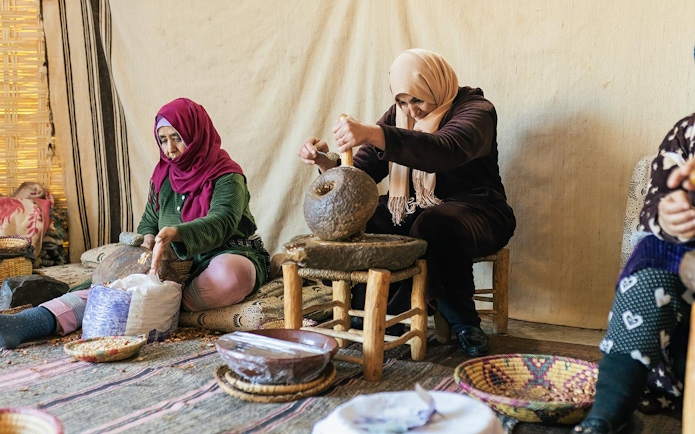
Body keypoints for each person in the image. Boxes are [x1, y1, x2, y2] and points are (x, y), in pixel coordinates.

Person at [0, 97, 270, 349]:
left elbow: (222, 221)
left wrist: (178, 232)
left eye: (177, 138)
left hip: (225, 253)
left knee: (231, 275)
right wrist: (148, 238)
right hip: (170, 263)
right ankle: (33, 322)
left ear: (196, 134)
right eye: (163, 140)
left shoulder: (227, 176)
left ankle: (163, 303)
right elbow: (149, 221)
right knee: (113, 284)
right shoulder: (163, 176)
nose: (170, 149)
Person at [298, 48, 516, 356]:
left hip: (478, 211)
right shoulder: (396, 117)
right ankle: (374, 312)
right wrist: (323, 160)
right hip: (414, 213)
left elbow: (444, 149)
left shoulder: (476, 110)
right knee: (366, 215)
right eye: (401, 101)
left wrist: (376, 134)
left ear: (436, 85)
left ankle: (464, 322)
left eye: (417, 100)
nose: (410, 110)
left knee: (436, 223)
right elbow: (359, 179)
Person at [573, 115, 695, 433]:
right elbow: (657, 202)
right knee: (650, 275)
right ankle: (607, 414)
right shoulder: (687, 132)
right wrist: (670, 215)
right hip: (684, 256)